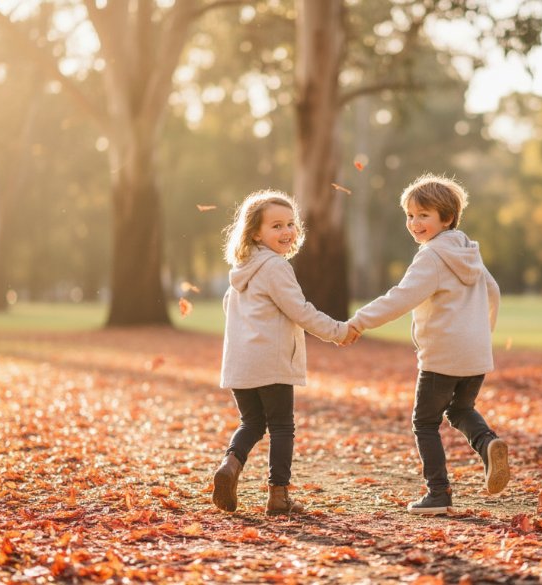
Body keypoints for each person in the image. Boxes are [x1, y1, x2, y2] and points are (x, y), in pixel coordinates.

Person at [345, 174, 509, 515]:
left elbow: (401, 298)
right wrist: (482, 332)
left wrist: (358, 320)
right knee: (461, 410)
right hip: (476, 354)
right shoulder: (468, 251)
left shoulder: (432, 256)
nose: (414, 223)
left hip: (442, 357)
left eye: (423, 215)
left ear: (446, 218)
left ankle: (438, 493)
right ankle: (488, 442)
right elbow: (492, 291)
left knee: (424, 422)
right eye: (410, 215)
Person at [213, 189, 359, 514]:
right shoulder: (274, 267)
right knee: (281, 426)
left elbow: (229, 309)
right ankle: (278, 496)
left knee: (251, 422)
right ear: (255, 232)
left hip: (240, 362)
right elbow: (301, 311)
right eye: (276, 226)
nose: (287, 232)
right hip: (272, 361)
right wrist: (338, 332)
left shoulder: (241, 271)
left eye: (290, 224)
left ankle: (230, 465)